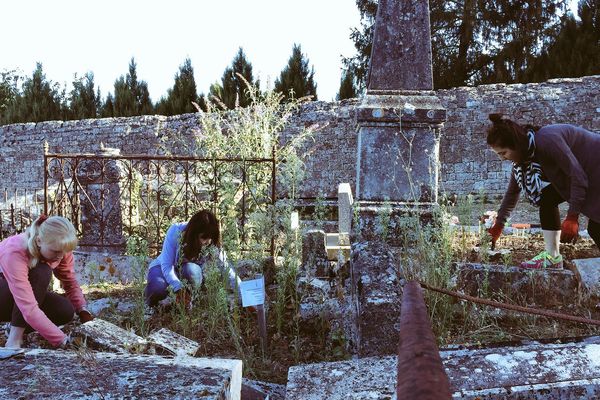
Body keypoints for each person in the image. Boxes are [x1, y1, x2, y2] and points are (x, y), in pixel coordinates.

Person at [486, 113, 600, 268]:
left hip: (594, 168)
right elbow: (512, 193)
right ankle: (553, 258)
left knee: (596, 227)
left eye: (503, 153)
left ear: (515, 144)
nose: (502, 158)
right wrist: (499, 225)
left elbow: (578, 178)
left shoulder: (547, 141)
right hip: (583, 174)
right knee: (547, 199)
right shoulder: (523, 160)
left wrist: (572, 217)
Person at [0, 215, 93, 348]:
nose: (61, 256)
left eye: (64, 251)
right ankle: (14, 338)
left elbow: (70, 281)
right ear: (39, 241)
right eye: (56, 251)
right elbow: (28, 307)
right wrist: (62, 340)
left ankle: (13, 328)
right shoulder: (15, 251)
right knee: (42, 271)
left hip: (15, 297)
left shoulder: (60, 247)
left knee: (64, 310)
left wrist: (82, 309)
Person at [144, 210, 240, 308]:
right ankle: (157, 299)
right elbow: (167, 265)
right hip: (164, 268)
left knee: (191, 270)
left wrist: (245, 296)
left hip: (187, 273)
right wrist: (178, 288)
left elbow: (227, 269)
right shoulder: (176, 230)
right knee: (157, 288)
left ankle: (187, 300)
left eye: (211, 237)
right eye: (204, 237)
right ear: (194, 233)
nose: (208, 241)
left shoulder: (212, 243)